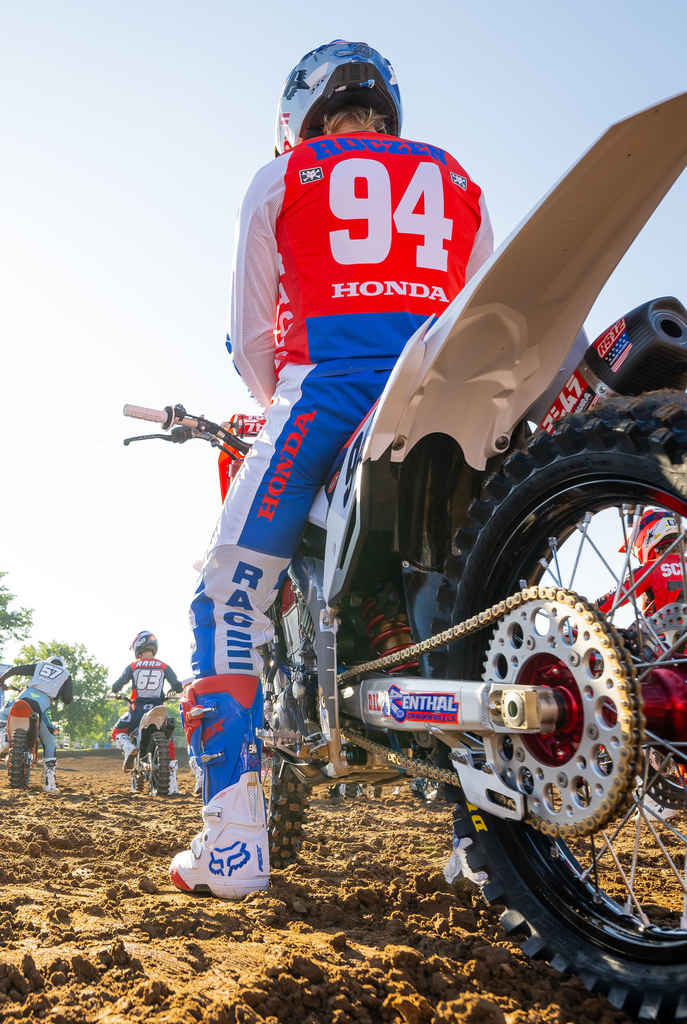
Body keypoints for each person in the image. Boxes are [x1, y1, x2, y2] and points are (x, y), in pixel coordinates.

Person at [171, 41, 493, 899]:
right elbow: (484, 310)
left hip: (328, 399)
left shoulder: (287, 175)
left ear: (301, 113)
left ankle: (232, 846)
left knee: (225, 594)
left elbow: (252, 343)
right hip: (448, 405)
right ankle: (484, 845)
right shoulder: (455, 180)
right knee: (473, 601)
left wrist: (285, 400)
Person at [110, 631, 186, 792]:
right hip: (158, 710)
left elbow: (117, 685)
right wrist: (172, 691)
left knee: (117, 731)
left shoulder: (133, 665)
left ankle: (129, 747)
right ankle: (172, 784)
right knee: (168, 740)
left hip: (137, 710)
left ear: (138, 646)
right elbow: (178, 686)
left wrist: (115, 691)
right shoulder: (164, 666)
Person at [0, 656, 73, 792]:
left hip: (23, 697)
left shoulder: (41, 665)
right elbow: (67, 699)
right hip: (41, 706)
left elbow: (14, 670)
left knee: (3, 713)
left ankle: (4, 741)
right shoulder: (66, 674)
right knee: (50, 743)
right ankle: (49, 783)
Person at [598, 508, 684, 616]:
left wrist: (578, 624)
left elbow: (609, 602)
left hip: (660, 631)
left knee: (631, 631)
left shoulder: (650, 569)